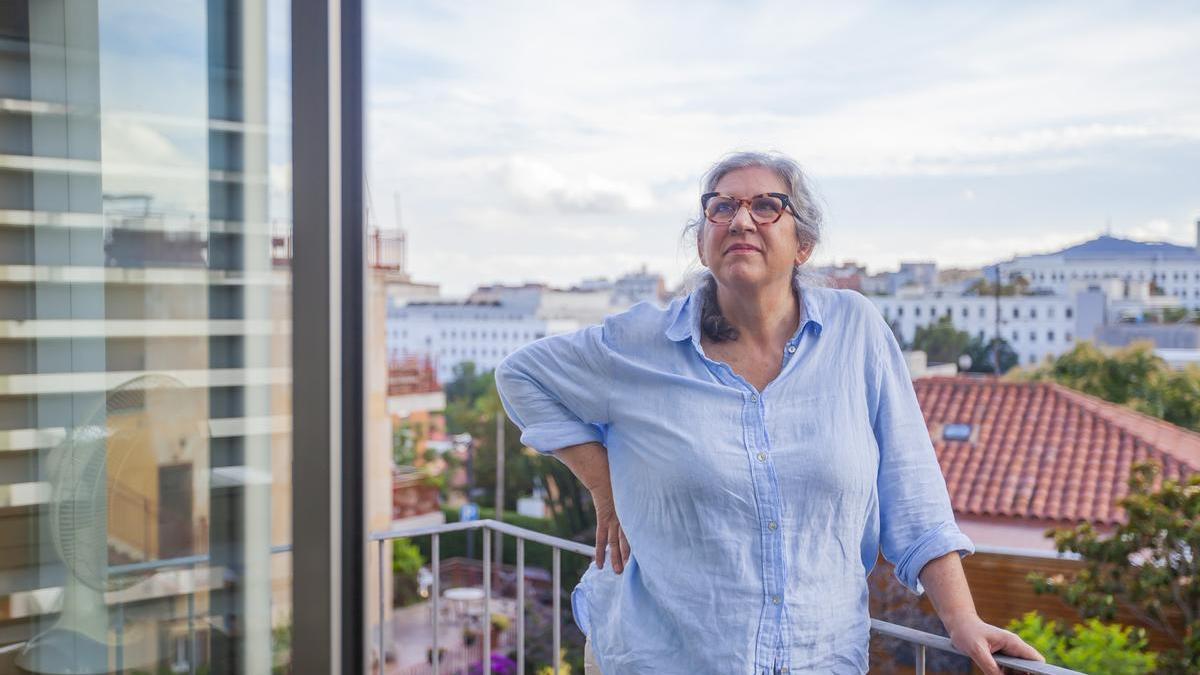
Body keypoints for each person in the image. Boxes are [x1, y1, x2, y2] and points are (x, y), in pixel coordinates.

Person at [495, 151, 1044, 674]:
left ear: (802, 244)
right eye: (722, 206)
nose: (740, 220)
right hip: (661, 656)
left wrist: (962, 618)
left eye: (765, 206)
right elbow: (520, 376)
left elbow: (912, 489)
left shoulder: (856, 331)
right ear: (703, 241)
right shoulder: (638, 344)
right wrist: (603, 483)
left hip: (820, 658)